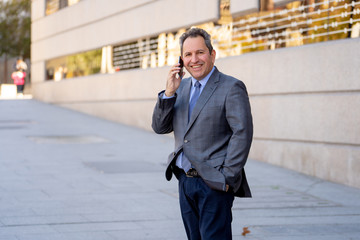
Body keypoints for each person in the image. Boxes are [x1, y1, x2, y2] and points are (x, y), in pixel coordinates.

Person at [151, 28, 253, 240]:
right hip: (185, 182)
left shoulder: (231, 87)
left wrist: (226, 176)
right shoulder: (181, 88)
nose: (194, 59)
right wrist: (169, 92)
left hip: (214, 183)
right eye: (187, 54)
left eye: (200, 52)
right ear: (181, 59)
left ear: (212, 54)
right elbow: (160, 127)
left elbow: (242, 133)